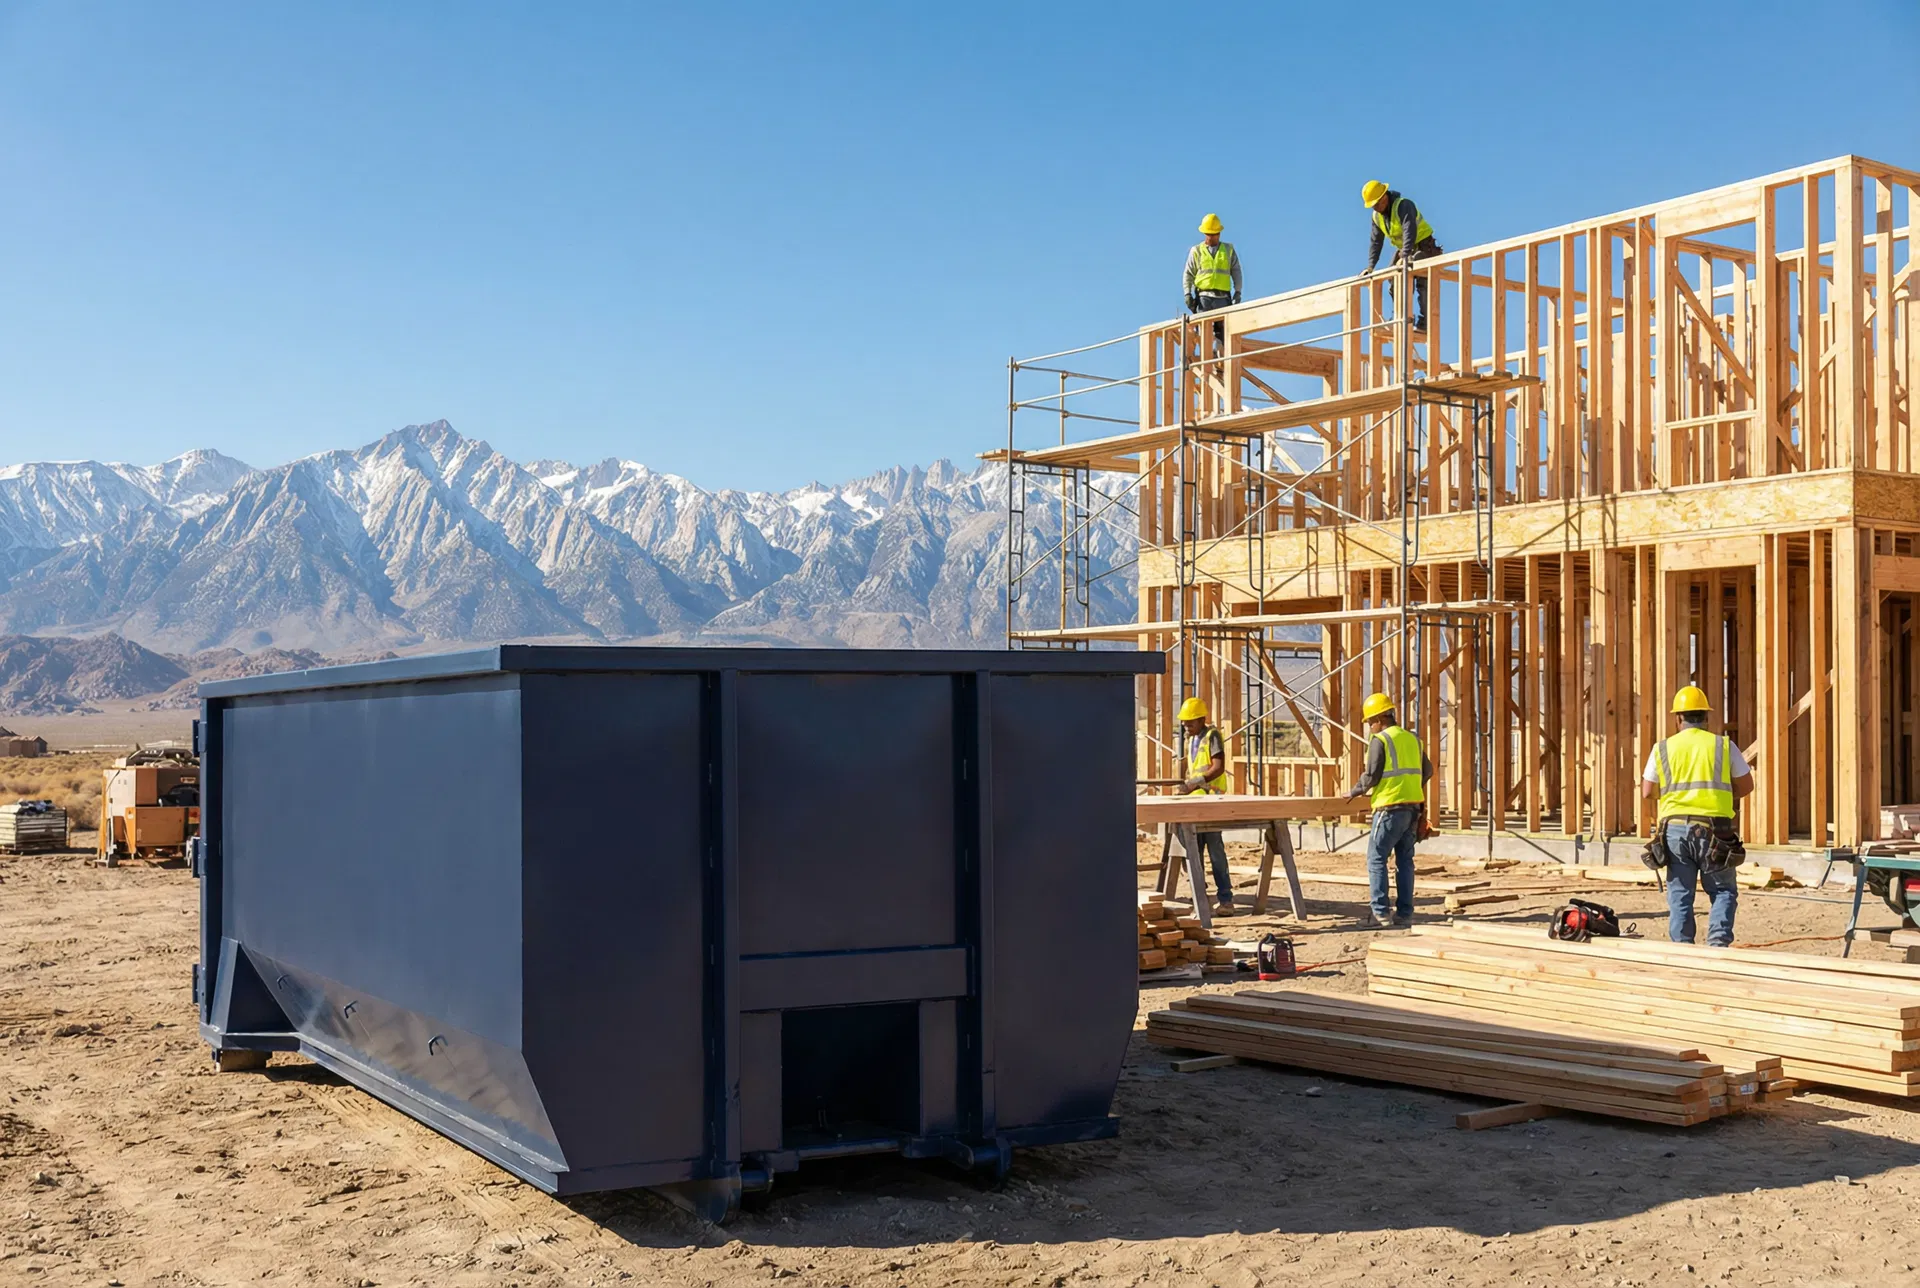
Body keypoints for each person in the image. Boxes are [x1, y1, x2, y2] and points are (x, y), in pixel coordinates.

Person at [1640, 684, 1755, 947]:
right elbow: (1747, 785)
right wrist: (1721, 794)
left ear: (1678, 717)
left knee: (1680, 893)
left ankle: (1682, 950)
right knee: (1723, 889)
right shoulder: (1723, 746)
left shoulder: (1663, 748)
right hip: (1717, 830)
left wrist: (1676, 798)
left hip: (1675, 831)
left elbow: (1648, 791)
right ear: (1706, 717)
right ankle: (1717, 946)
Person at [1344, 691, 1432, 927]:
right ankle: (1404, 914)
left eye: (1370, 722)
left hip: (1389, 808)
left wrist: (1354, 791)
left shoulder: (1380, 740)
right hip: (1413, 808)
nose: (1369, 727)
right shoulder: (1413, 739)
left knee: (1376, 859)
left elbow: (1372, 775)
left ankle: (1380, 913)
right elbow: (1428, 770)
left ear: (1381, 719)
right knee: (1405, 861)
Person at [1176, 695, 1236, 914]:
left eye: (1190, 722)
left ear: (1201, 719)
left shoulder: (1212, 736)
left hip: (1212, 799)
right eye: (1184, 722)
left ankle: (1225, 898)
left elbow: (1218, 767)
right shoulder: (1190, 740)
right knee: (1194, 851)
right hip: (1195, 802)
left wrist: (1195, 783)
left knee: (1215, 850)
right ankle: (1201, 898)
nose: (1186, 725)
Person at [1361, 180, 1442, 333]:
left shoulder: (1403, 205)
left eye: (1376, 204)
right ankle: (1401, 317)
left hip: (1425, 246)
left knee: (1422, 279)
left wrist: (1405, 256)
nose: (1375, 208)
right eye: (1373, 206)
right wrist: (1371, 266)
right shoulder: (1377, 217)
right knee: (1393, 277)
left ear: (1384, 197)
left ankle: (1426, 323)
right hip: (1405, 250)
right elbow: (1375, 242)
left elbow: (1409, 230)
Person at [1183, 213, 1242, 348]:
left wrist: (1238, 291)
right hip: (1204, 297)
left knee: (1223, 332)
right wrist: (1187, 294)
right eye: (1208, 234)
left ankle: (1220, 360)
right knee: (1204, 333)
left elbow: (1236, 271)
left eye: (1214, 234)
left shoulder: (1228, 250)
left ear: (1219, 233)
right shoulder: (1197, 251)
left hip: (1222, 297)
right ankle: (1208, 359)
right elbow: (1188, 274)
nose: (1211, 237)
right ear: (1204, 233)